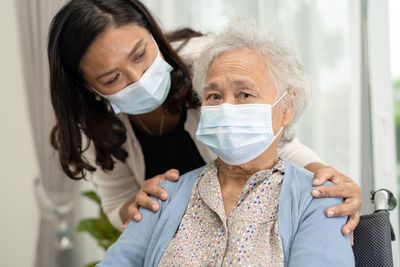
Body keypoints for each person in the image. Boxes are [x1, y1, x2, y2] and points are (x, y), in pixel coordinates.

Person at [48, 0, 361, 236]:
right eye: (113, 77)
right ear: (87, 86)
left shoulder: (209, 69)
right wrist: (134, 208)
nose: (138, 77)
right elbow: (116, 202)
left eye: (140, 55)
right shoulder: (97, 125)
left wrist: (325, 175)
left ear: (151, 30)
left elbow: (272, 142)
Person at [97, 23, 355, 266]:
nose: (226, 107)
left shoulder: (318, 200)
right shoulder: (163, 196)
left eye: (244, 94)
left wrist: (325, 173)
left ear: (285, 107)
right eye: (214, 96)